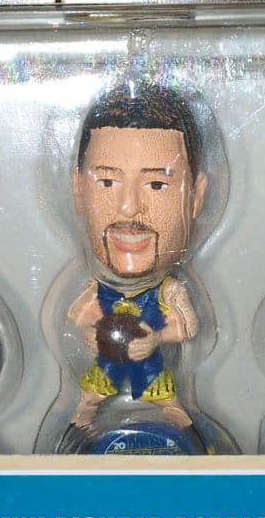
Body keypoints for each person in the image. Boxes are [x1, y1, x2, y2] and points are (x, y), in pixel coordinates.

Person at [67, 82, 208, 430]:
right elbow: (77, 314)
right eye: (107, 182)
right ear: (78, 191)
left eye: (157, 185)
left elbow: (188, 327)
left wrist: (156, 339)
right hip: (108, 362)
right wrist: (92, 333)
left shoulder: (169, 291)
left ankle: (191, 441)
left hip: (150, 364)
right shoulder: (98, 288)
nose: (129, 208)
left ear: (195, 198)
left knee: (171, 406)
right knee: (88, 400)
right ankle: (75, 437)